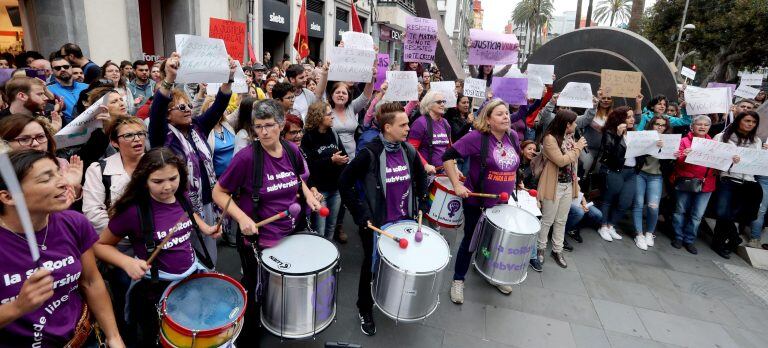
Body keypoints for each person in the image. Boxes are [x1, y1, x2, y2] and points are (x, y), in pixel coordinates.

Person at [212, 99, 322, 345]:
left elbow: (297, 179)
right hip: (258, 238)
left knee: (282, 284)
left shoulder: (292, 151)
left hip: (289, 232)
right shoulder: (246, 158)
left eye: (269, 125)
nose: (263, 132)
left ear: (281, 125)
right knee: (255, 290)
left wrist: (307, 195)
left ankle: (279, 319)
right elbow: (218, 193)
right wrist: (242, 218)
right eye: (258, 126)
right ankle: (248, 336)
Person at [93, 147, 220, 347]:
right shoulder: (133, 212)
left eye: (173, 178)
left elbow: (189, 214)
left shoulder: (181, 196)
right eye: (158, 181)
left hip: (190, 277)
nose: (168, 187)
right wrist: (126, 262)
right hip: (156, 287)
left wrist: (205, 228)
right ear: (144, 180)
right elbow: (100, 245)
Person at [0, 150, 124, 347]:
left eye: (59, 173)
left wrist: (113, 337)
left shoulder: (74, 223)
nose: (64, 182)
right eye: (46, 179)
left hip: (83, 338)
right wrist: (17, 307)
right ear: (8, 197)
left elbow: (90, 281)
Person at [339, 101, 428, 336]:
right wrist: (360, 214)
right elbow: (344, 183)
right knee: (371, 266)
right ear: (388, 127)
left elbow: (420, 177)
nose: (408, 128)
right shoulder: (370, 152)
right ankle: (364, 308)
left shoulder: (408, 150)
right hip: (377, 224)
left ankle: (390, 298)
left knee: (399, 264)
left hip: (405, 221)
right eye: (403, 124)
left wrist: (422, 199)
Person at [148, 52, 233, 266]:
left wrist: (229, 78)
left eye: (188, 105)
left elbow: (219, 106)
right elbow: (157, 109)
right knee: (189, 256)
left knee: (209, 254)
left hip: (207, 201)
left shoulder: (198, 127)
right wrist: (169, 78)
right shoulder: (162, 135)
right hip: (181, 205)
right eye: (181, 107)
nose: (188, 110)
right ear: (168, 114)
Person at [441, 99, 521, 302]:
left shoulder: (512, 136)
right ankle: (458, 279)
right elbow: (447, 156)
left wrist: (517, 183)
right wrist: (457, 185)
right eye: (500, 114)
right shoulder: (476, 138)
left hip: (502, 203)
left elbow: (513, 164)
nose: (506, 117)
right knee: (470, 240)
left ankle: (491, 273)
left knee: (494, 240)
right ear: (488, 118)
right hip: (477, 201)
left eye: (506, 113)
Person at [535, 109, 586, 268]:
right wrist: (577, 148)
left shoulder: (570, 138)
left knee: (561, 220)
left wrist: (575, 147)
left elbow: (573, 163)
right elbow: (561, 160)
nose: (576, 125)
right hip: (553, 185)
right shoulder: (550, 139)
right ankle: (540, 249)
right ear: (566, 124)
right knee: (547, 219)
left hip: (568, 184)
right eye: (574, 122)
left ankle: (557, 250)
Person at [710, 111, 763, 258]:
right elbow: (712, 156)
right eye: (747, 121)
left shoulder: (757, 141)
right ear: (739, 120)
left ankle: (719, 244)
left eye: (753, 122)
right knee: (722, 212)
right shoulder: (722, 137)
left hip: (747, 183)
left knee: (730, 215)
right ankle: (734, 238)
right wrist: (728, 159)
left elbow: (756, 162)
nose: (750, 124)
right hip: (727, 180)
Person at [0, 114, 83, 201]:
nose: (35, 143)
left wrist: (73, 186)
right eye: (24, 139)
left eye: (40, 137)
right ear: (4, 143)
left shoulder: (61, 164)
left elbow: (75, 207)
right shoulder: (3, 174)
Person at [670, 115, 718, 254]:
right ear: (692, 126)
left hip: (706, 184)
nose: (702, 127)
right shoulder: (684, 141)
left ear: (709, 127)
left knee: (697, 215)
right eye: (699, 124)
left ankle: (689, 240)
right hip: (686, 181)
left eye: (706, 125)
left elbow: (719, 163)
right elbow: (676, 160)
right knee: (680, 211)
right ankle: (678, 237)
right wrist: (684, 155)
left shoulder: (714, 145)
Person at [302, 101, 349, 240]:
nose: (332, 116)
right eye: (329, 114)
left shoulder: (333, 133)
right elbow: (308, 166)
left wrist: (341, 162)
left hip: (336, 188)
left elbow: (344, 155)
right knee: (319, 229)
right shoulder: (308, 138)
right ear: (318, 117)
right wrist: (331, 160)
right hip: (319, 191)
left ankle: (330, 252)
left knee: (331, 226)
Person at [632, 115, 674, 250]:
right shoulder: (645, 136)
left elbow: (668, 165)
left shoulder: (670, 141)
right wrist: (651, 145)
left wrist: (670, 153)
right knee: (638, 203)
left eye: (663, 125)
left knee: (653, 206)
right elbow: (636, 152)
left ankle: (649, 232)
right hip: (641, 174)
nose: (660, 127)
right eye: (657, 124)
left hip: (656, 176)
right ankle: (639, 234)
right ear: (652, 125)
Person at [596, 107, 638, 242]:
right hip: (615, 170)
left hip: (631, 172)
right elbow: (610, 153)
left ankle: (611, 225)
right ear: (620, 119)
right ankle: (603, 226)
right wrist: (618, 136)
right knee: (608, 199)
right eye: (628, 117)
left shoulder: (634, 133)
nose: (632, 119)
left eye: (633, 116)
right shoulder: (610, 132)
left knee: (625, 202)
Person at [408, 90, 451, 175]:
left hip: (443, 172)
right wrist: (425, 165)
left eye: (443, 102)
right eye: (439, 102)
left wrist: (454, 167)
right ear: (429, 104)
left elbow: (449, 149)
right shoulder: (420, 123)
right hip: (425, 173)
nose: (442, 104)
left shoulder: (446, 123)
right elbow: (411, 149)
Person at [46, 56, 88, 124]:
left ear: (71, 68)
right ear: (52, 71)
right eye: (57, 68)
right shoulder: (48, 90)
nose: (62, 69)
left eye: (66, 66)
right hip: (67, 128)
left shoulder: (86, 87)